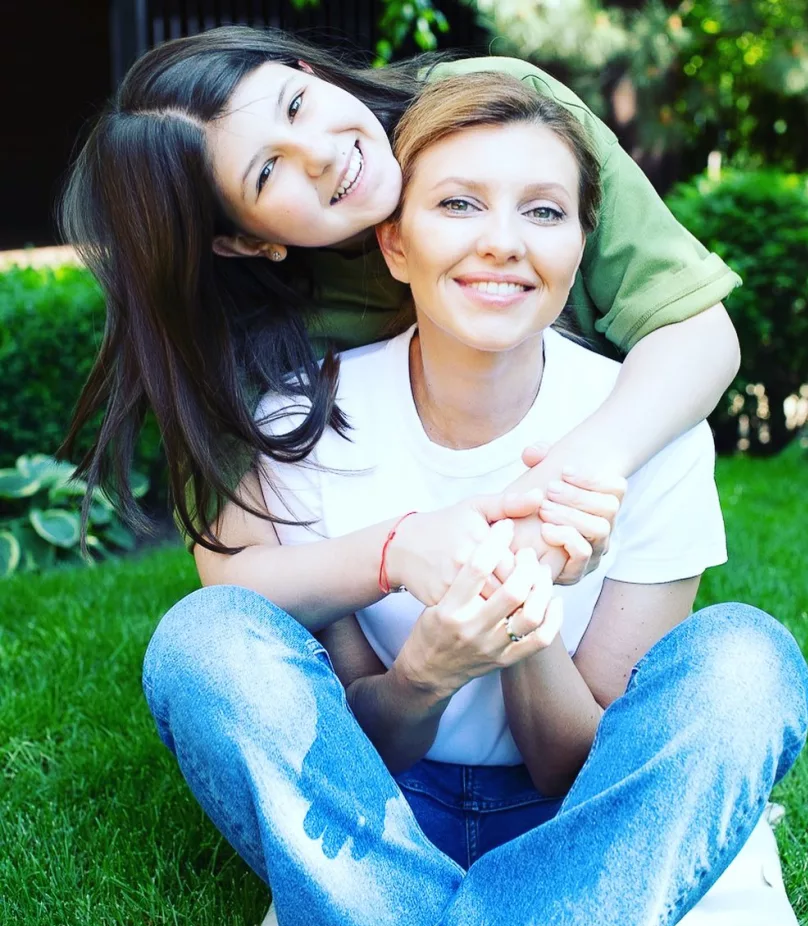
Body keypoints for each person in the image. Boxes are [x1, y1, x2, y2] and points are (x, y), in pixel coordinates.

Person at [143, 74, 808, 926]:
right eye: (457, 204)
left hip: (583, 823)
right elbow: (347, 758)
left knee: (748, 664)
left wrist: (526, 625)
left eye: (543, 212)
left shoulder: (648, 428)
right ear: (394, 241)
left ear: (584, 247)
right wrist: (425, 672)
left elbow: (584, 774)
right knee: (201, 639)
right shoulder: (302, 424)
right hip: (379, 821)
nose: (502, 241)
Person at [59, 24, 743, 606]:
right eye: (268, 172)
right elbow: (236, 576)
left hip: (599, 533)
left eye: (296, 105)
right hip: (397, 615)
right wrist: (398, 554)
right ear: (241, 240)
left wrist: (563, 482)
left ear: (307, 70)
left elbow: (694, 329)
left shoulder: (493, 108)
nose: (322, 153)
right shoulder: (244, 326)